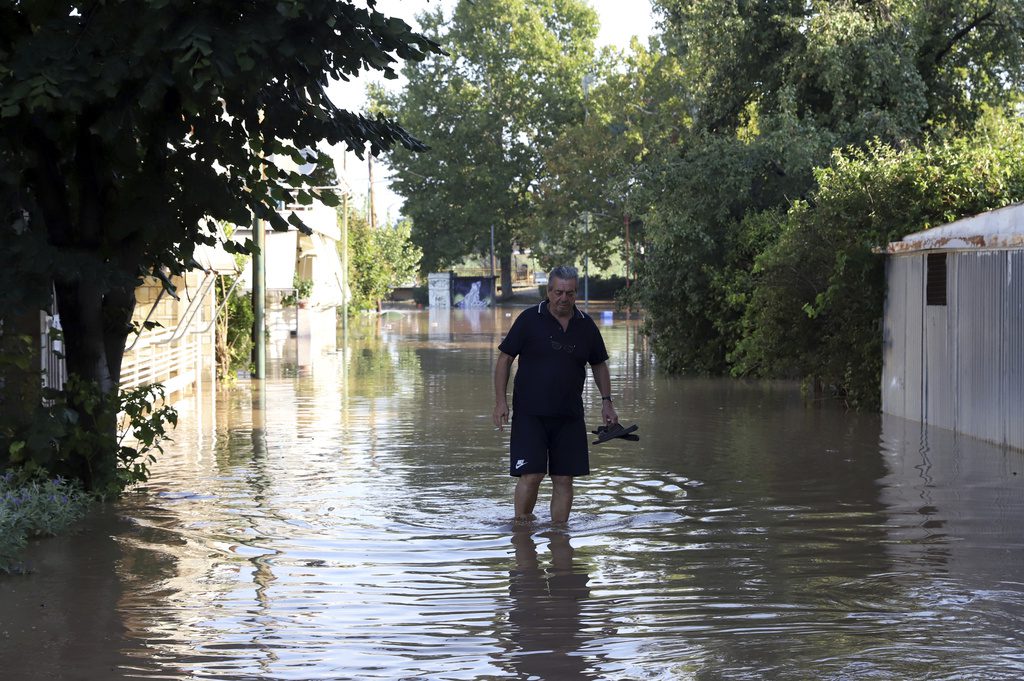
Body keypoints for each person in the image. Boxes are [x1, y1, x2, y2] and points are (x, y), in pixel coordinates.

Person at [492, 265, 618, 524]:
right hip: (530, 414)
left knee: (564, 479)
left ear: (575, 294)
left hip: (569, 415)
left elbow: (599, 364)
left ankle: (560, 536)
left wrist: (607, 402)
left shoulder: (586, 325)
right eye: (559, 292)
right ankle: (522, 529)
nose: (564, 298)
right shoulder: (529, 319)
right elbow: (505, 359)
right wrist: (500, 402)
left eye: (570, 293)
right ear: (548, 291)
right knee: (532, 475)